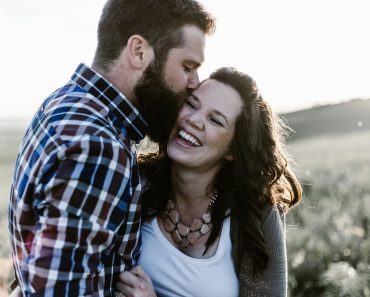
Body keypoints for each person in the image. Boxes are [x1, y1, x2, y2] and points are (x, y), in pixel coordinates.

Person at [8, 1, 215, 296]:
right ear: (139, 51)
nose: (195, 83)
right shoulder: (99, 146)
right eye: (188, 67)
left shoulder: (64, 102)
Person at [115, 67, 302, 297]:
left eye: (215, 120)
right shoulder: (135, 183)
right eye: (192, 104)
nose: (194, 120)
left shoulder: (256, 215)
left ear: (232, 150)